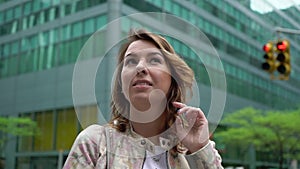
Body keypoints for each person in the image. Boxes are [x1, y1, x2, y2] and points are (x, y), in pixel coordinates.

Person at [63, 29, 223, 169]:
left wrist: (199, 148)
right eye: (131, 61)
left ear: (173, 79)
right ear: (121, 84)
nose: (140, 68)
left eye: (154, 60)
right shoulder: (95, 142)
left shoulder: (192, 151)